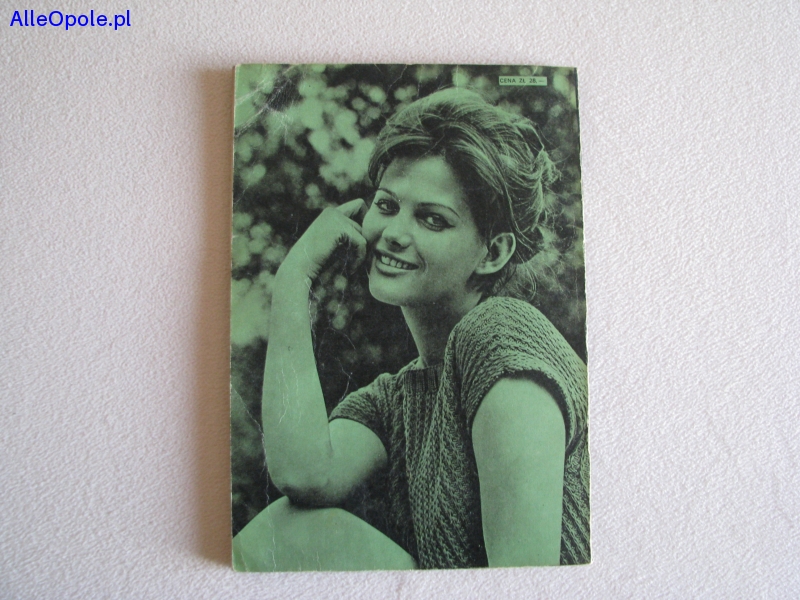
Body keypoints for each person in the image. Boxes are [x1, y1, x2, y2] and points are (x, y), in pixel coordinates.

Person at [232, 88, 589, 571]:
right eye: (386, 205)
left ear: (493, 253)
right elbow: (303, 473)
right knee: (288, 528)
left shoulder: (502, 338)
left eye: (432, 219)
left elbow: (525, 582)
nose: (395, 233)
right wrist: (293, 280)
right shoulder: (398, 398)